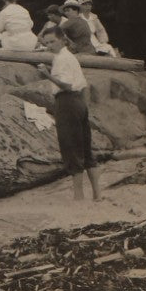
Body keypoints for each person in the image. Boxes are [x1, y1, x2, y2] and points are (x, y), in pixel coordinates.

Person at [39, 18, 104, 202]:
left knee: (71, 147)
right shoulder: (69, 57)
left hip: (67, 101)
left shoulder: (63, 59)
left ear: (62, 39)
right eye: (47, 43)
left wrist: (46, 75)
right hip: (78, 102)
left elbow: (66, 85)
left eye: (53, 41)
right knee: (85, 147)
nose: (50, 45)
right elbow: (82, 84)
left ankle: (78, 196)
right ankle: (97, 194)